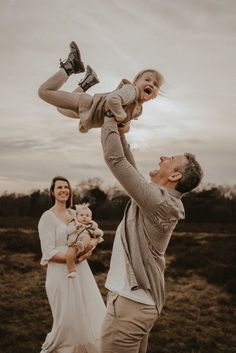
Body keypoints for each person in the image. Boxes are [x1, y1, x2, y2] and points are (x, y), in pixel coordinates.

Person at [100, 118, 203, 353]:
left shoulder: (158, 202)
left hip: (130, 306)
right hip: (138, 304)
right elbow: (128, 163)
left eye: (170, 160)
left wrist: (108, 115)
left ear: (175, 176)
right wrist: (121, 131)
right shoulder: (158, 199)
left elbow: (114, 160)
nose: (163, 157)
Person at [38, 176, 106, 353]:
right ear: (52, 192)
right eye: (59, 187)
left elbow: (90, 234)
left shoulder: (76, 214)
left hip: (81, 270)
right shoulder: (47, 217)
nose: (63, 190)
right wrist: (72, 259)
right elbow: (48, 251)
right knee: (66, 318)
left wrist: (89, 247)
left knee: (87, 311)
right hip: (59, 272)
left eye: (66, 187)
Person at [38, 41, 164, 133]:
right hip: (87, 104)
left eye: (155, 84)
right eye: (147, 79)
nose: (151, 84)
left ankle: (87, 82)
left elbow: (126, 122)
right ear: (135, 81)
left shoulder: (138, 108)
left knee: (60, 108)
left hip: (90, 112)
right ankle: (70, 66)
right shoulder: (131, 90)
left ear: (154, 95)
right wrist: (122, 117)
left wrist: (125, 127)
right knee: (44, 92)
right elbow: (113, 100)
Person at [66, 203, 104, 278]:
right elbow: (68, 231)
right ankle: (72, 270)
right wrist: (75, 228)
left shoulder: (91, 225)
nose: (84, 217)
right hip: (74, 244)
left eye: (87, 216)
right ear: (76, 216)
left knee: (86, 236)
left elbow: (100, 232)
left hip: (85, 243)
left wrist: (96, 233)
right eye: (81, 215)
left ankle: (82, 246)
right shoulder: (73, 223)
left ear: (91, 218)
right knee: (69, 255)